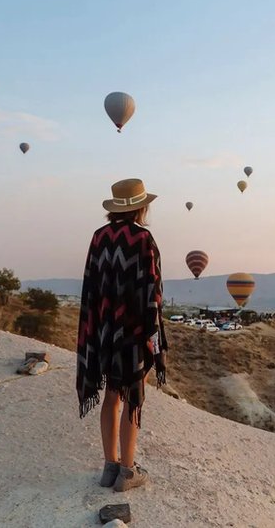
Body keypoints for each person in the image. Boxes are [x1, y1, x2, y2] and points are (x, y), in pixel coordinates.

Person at [76, 178, 168, 492]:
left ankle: (109, 466)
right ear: (142, 207)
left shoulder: (98, 237)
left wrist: (94, 327)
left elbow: (91, 285)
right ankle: (128, 472)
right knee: (132, 398)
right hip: (132, 331)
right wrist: (152, 336)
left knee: (111, 395)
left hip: (103, 330)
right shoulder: (143, 238)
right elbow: (151, 291)